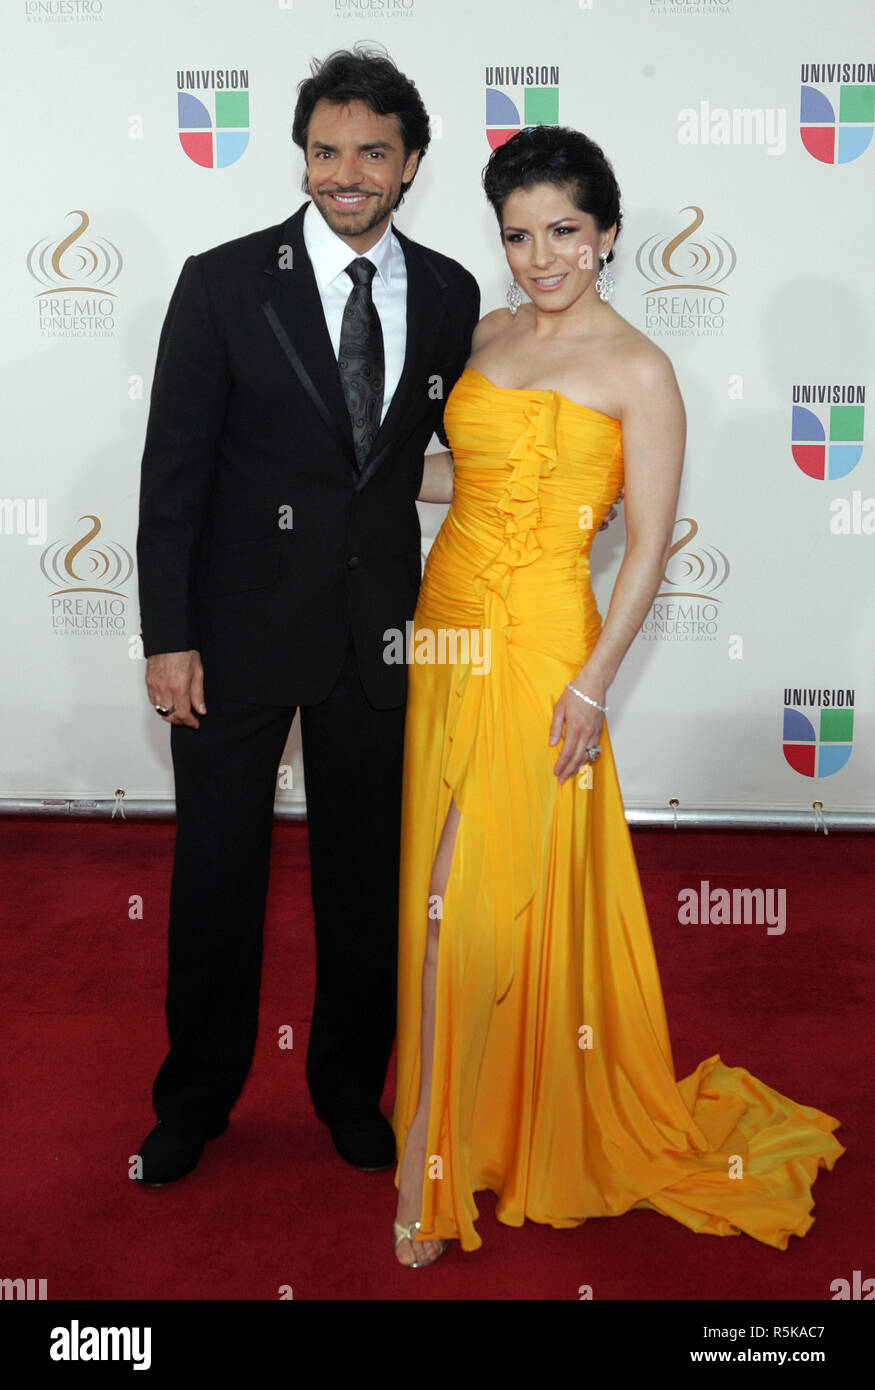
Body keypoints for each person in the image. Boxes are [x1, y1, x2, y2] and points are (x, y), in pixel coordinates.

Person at [391, 124, 844, 1265]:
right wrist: (370, 469)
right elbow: (464, 475)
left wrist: (593, 685)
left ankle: (426, 1170)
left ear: (605, 235)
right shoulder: (484, 333)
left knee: (475, 897)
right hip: (445, 629)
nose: (539, 257)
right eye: (516, 235)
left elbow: (644, 547)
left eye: (562, 233)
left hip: (546, 643)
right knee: (437, 887)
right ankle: (467, 1124)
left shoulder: (639, 368)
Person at [134, 47, 480, 1185]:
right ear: (302, 158)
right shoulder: (224, 280)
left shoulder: (446, 293)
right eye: (326, 151)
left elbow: (411, 460)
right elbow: (173, 472)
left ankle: (346, 1089)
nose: (345, 173)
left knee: (363, 883)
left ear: (409, 164)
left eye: (371, 152)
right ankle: (194, 1098)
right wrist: (166, 634)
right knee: (217, 875)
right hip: (231, 634)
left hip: (376, 633)